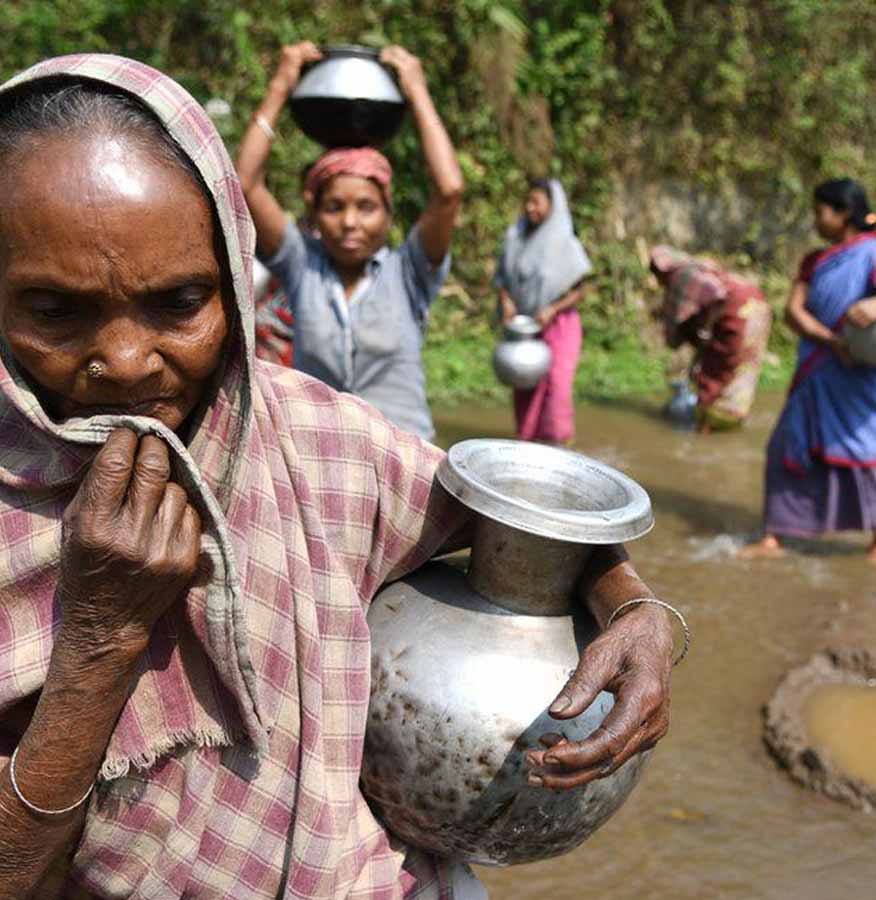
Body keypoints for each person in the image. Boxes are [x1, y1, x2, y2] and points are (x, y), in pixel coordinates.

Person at [0, 55, 678, 899]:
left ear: (231, 284)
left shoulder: (319, 441)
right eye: (55, 311)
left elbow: (519, 522)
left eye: (179, 303)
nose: (128, 360)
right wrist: (100, 639)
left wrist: (636, 608)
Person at [236, 42, 463, 440]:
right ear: (315, 216)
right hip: (319, 455)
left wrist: (417, 91)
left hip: (404, 457)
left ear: (388, 213)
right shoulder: (302, 267)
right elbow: (245, 184)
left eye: (366, 207)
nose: (350, 222)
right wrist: (281, 85)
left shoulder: (408, 272)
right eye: (335, 207)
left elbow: (449, 189)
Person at [741, 179, 876, 564]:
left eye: (820, 212)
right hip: (820, 367)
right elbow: (793, 311)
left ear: (843, 213)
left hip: (862, 376)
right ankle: (774, 536)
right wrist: (831, 341)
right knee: (786, 446)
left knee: (865, 452)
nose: (815, 220)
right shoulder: (815, 260)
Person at [496, 178, 591, 445]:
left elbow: (581, 290)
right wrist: (506, 301)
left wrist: (552, 309)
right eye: (527, 201)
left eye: (536, 202)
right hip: (526, 327)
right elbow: (501, 278)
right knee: (525, 385)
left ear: (552, 205)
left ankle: (558, 447)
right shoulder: (516, 238)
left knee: (557, 386)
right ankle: (527, 445)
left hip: (559, 325)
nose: (530, 208)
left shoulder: (565, 244)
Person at [650, 246, 772, 432]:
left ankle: (707, 426)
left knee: (717, 369)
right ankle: (732, 417)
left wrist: (681, 336)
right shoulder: (702, 267)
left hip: (735, 311)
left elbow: (676, 329)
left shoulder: (679, 277)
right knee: (743, 365)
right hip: (757, 305)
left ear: (661, 270)